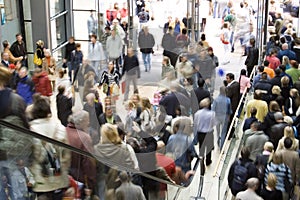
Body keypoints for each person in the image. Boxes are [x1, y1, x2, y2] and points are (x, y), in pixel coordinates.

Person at [29, 95, 70, 200]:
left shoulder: (31, 130)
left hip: (41, 180)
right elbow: (67, 155)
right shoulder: (60, 127)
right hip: (59, 178)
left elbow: (32, 157)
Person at [66, 110, 96, 195]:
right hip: (79, 180)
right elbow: (88, 164)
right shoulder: (84, 138)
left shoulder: (62, 132)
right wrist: (90, 185)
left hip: (63, 179)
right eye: (87, 120)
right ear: (81, 122)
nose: (89, 123)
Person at [193, 98, 216, 166]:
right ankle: (208, 161)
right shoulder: (212, 114)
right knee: (209, 148)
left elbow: (195, 123)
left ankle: (201, 159)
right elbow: (213, 123)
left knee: (201, 146)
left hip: (200, 133)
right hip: (209, 133)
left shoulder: (197, 113)